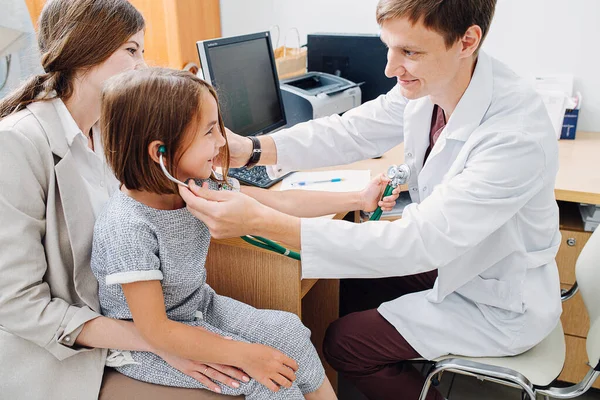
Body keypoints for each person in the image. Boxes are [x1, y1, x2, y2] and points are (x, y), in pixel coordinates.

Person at [179, 0, 563, 399]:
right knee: (351, 287)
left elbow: (417, 242)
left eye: (410, 52)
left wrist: (258, 220)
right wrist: (254, 149)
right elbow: (353, 131)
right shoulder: (436, 83)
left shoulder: (513, 135)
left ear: (467, 40)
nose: (389, 68)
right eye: (389, 47)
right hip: (460, 260)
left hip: (497, 298)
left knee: (345, 343)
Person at [92, 67, 396, 399]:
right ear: (160, 154)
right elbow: (156, 329)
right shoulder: (127, 226)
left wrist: (357, 198)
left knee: (289, 331)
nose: (223, 142)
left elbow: (282, 203)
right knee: (267, 381)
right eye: (210, 131)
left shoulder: (198, 186)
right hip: (152, 346)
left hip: (200, 306)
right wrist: (247, 356)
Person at [0, 1, 249, 398]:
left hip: (141, 324)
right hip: (66, 358)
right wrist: (162, 341)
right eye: (132, 51)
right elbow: (19, 306)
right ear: (84, 50)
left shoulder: (111, 132)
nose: (142, 65)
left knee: (273, 359)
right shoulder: (17, 142)